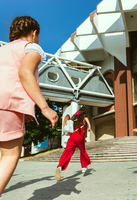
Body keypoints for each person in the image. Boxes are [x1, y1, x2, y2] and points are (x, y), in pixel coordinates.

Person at [0, 16, 58, 195]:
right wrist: (45, 108)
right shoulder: (31, 47)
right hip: (8, 103)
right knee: (9, 155)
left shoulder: (3, 49)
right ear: (34, 33)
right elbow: (25, 72)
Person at [55, 109, 91, 181]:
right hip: (79, 137)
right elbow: (86, 119)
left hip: (72, 137)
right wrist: (89, 126)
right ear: (83, 115)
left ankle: (60, 167)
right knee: (82, 151)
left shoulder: (73, 120)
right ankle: (83, 167)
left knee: (67, 152)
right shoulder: (83, 119)